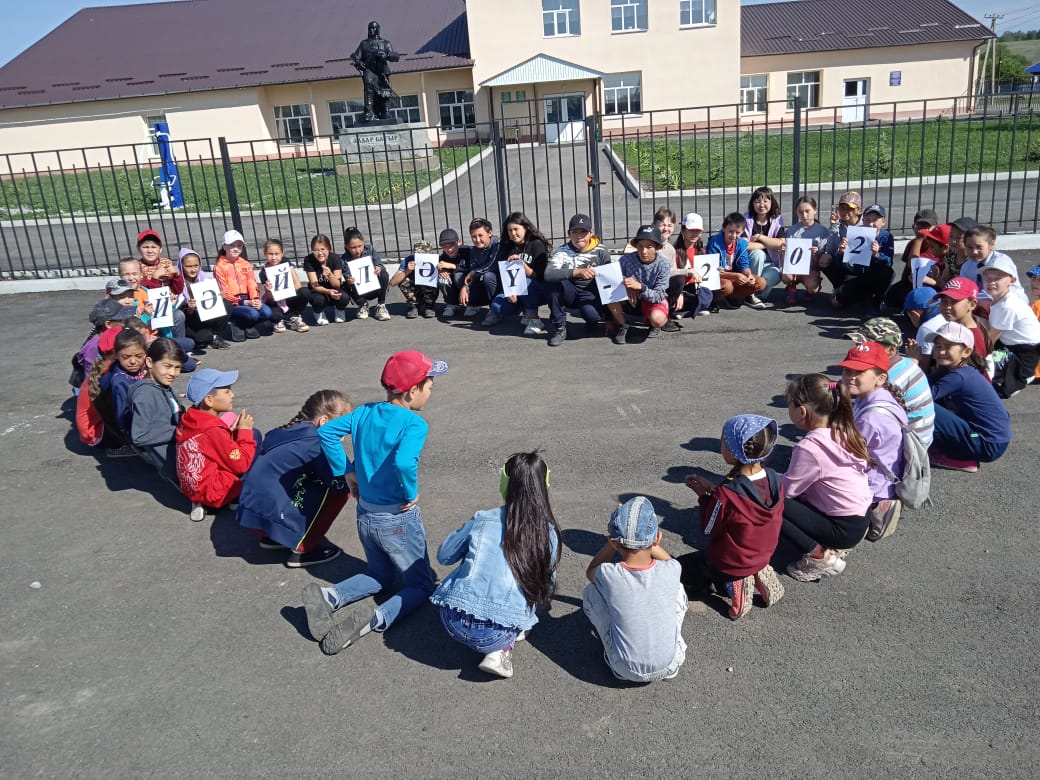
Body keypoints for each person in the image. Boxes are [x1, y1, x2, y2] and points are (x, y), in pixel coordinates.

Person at [304, 350, 448, 655]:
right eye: (429, 386)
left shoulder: (364, 412)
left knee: (381, 574)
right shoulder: (414, 424)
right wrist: (411, 493)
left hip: (366, 513)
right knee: (421, 585)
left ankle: (330, 596)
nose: (431, 391)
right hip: (397, 519)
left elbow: (327, 433)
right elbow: (405, 462)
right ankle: (377, 617)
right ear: (412, 391)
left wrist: (347, 471)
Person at [430, 451, 561, 679]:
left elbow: (444, 556)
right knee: (531, 583)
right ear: (544, 485)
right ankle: (500, 651)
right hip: (494, 635)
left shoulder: (483, 518)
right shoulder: (548, 533)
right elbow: (546, 586)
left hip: (452, 619)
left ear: (505, 483)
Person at [679, 415, 785, 620]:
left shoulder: (726, 494)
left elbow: (709, 528)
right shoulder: (774, 478)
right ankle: (759, 571)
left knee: (682, 571)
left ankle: (737, 582)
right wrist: (714, 490)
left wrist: (704, 497)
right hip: (763, 553)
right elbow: (746, 501)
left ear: (733, 450)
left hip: (733, 560)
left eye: (723, 442)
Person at [237, 390, 353, 568]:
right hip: (269, 509)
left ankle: (272, 537)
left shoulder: (287, 430)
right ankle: (303, 549)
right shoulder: (318, 443)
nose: (343, 438)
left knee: (307, 478)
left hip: (249, 509)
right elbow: (341, 483)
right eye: (342, 430)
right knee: (340, 490)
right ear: (324, 421)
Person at [777, 374, 873, 582]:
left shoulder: (810, 448)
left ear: (801, 411)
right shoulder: (844, 431)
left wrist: (765, 479)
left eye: (790, 405)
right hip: (861, 518)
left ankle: (819, 557)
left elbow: (787, 491)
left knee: (769, 501)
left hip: (842, 528)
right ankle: (831, 545)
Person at [583, 496, 687, 683]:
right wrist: (645, 540)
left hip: (624, 667)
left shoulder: (608, 573)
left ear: (614, 542)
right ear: (657, 538)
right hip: (669, 663)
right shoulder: (672, 568)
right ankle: (670, 660)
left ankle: (619, 666)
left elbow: (591, 571)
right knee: (678, 588)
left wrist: (613, 542)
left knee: (591, 592)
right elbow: (669, 560)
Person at [911, 322, 1011, 472]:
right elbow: (923, 384)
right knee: (929, 407)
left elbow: (919, 396)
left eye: (948, 346)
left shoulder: (959, 376)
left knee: (923, 406)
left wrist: (913, 363)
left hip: (987, 444)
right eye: (938, 346)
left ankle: (959, 459)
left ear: (966, 352)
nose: (941, 351)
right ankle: (953, 451)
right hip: (990, 439)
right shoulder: (949, 370)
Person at [836, 342, 909, 541]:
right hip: (887, 474)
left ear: (880, 378)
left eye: (859, 372)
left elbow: (847, 454)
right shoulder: (880, 397)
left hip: (874, 484)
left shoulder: (871, 418)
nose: (851, 376)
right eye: (847, 370)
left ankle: (877, 508)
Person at [176, 368, 258, 522]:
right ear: (209, 400)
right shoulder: (213, 431)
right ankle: (235, 497)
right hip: (216, 492)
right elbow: (241, 464)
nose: (232, 395)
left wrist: (230, 433)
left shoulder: (189, 418)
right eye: (227, 392)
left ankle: (200, 503)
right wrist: (245, 431)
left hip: (192, 490)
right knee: (254, 437)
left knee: (232, 425)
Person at [846, 318, 935, 448]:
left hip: (909, 445)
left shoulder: (891, 381)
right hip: (915, 434)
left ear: (891, 351)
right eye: (858, 344)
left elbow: (873, 419)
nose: (860, 349)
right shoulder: (903, 362)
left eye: (868, 347)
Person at [544, 213, 612, 347]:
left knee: (591, 314)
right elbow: (548, 274)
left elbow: (610, 281)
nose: (579, 236)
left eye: (583, 232)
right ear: (568, 233)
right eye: (575, 232)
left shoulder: (601, 250)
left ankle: (593, 321)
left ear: (591, 232)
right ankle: (559, 327)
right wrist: (576, 272)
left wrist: (611, 318)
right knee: (552, 285)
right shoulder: (562, 251)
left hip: (591, 293)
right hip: (571, 292)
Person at [980, 255, 1040, 398]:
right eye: (987, 278)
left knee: (980, 362)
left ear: (1012, 281)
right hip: (1012, 346)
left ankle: (1019, 377)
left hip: (1023, 356)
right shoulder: (1000, 299)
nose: (991, 282)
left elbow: (989, 341)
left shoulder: (1008, 306)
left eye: (998, 278)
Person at [480, 212, 549, 334]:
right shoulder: (507, 247)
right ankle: (521, 310)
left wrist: (523, 265)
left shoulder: (537, 244)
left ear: (525, 228)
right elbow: (505, 274)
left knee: (526, 281)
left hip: (537, 289)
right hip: (516, 289)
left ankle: (534, 319)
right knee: (497, 306)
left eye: (516, 229)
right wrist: (510, 291)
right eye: (510, 230)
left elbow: (540, 276)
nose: (513, 233)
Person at [821, 199, 894, 310]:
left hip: (875, 276)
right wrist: (842, 253)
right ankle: (860, 296)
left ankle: (876, 302)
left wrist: (876, 254)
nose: (871, 224)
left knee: (888, 272)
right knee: (836, 303)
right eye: (867, 220)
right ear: (863, 220)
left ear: (883, 222)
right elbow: (844, 266)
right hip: (858, 276)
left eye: (875, 220)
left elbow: (888, 262)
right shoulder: (856, 233)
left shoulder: (886, 236)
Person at [128, 337, 186, 477]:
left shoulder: (163, 387)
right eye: (167, 366)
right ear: (149, 362)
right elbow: (139, 436)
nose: (173, 373)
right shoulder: (145, 395)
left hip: (182, 451)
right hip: (175, 462)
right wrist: (179, 431)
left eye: (177, 367)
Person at [605, 224, 671, 344]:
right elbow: (612, 278)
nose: (644, 251)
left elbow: (659, 296)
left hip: (651, 301)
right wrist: (625, 284)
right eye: (640, 246)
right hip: (631, 300)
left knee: (658, 319)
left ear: (656, 247)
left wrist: (640, 287)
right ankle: (622, 325)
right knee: (609, 291)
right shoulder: (625, 260)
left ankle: (654, 324)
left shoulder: (664, 264)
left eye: (649, 247)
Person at [910, 278, 989, 375]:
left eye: (954, 301)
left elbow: (974, 376)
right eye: (944, 301)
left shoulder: (972, 337)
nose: (947, 306)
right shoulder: (955, 329)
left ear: (972, 305)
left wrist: (914, 360)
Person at [214, 229, 274, 340]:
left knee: (267, 312)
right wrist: (243, 302)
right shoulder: (219, 267)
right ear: (224, 246)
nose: (236, 248)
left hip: (248, 299)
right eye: (232, 245)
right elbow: (224, 291)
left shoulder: (245, 264)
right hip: (232, 303)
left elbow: (252, 283)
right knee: (253, 314)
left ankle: (247, 325)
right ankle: (236, 323)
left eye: (239, 246)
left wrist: (255, 299)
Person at [705, 212, 768, 309]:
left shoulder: (741, 243)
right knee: (727, 286)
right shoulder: (714, 243)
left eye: (737, 233)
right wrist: (736, 276)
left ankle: (734, 297)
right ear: (723, 228)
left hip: (733, 276)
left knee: (760, 283)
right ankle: (715, 300)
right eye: (730, 231)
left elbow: (744, 263)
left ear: (742, 232)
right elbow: (713, 271)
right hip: (720, 277)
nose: (734, 235)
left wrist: (749, 275)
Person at [73, 299, 137, 391]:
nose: (126, 323)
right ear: (108, 324)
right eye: (122, 320)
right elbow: (93, 383)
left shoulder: (113, 339)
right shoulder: (94, 347)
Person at [884, 208, 940, 310]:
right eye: (920, 226)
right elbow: (909, 266)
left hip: (930, 284)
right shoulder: (912, 243)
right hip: (912, 282)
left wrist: (919, 239)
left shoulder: (938, 246)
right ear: (913, 228)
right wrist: (904, 280)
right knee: (891, 296)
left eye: (927, 227)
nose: (923, 230)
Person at [175, 247, 230, 349]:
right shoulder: (177, 282)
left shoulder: (203, 278)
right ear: (181, 266)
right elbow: (179, 311)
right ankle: (206, 338)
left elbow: (212, 303)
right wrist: (190, 308)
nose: (193, 269)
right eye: (188, 266)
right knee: (203, 338)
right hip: (190, 321)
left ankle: (215, 335)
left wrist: (219, 297)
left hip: (205, 318)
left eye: (196, 266)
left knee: (227, 304)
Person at [781, 196, 830, 302]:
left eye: (807, 211)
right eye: (800, 212)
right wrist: (784, 251)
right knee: (786, 276)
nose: (804, 215)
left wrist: (816, 254)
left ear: (815, 210)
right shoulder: (792, 231)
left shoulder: (822, 231)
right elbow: (787, 256)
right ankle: (791, 286)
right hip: (794, 267)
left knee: (813, 288)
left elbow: (822, 261)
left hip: (811, 268)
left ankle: (812, 287)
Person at [258, 238, 312, 333]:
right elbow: (269, 299)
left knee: (304, 292)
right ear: (265, 254)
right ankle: (274, 321)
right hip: (274, 302)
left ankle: (295, 317)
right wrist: (268, 290)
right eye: (270, 254)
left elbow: (298, 285)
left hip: (288, 297)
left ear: (282, 253)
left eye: (277, 254)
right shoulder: (264, 272)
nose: (274, 257)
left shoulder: (285, 263)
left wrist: (290, 269)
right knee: (276, 316)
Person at [666, 212, 713, 322]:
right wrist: (679, 293)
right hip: (680, 288)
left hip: (696, 288)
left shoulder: (702, 251)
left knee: (708, 294)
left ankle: (690, 307)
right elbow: (671, 276)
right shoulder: (674, 252)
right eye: (691, 230)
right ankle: (689, 307)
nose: (694, 234)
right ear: (683, 230)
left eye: (698, 231)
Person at [350, 21, 400, 121]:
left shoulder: (385, 43)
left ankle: (385, 111)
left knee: (384, 91)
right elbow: (356, 56)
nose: (371, 30)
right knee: (368, 88)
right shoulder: (364, 44)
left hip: (381, 71)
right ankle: (369, 111)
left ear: (378, 29)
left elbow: (395, 56)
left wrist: (386, 55)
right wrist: (359, 63)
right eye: (369, 28)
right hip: (369, 70)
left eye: (373, 28)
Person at [107, 327, 150, 439]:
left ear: (145, 353)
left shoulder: (145, 368)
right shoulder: (119, 381)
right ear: (116, 355)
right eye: (126, 357)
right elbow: (123, 416)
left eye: (139, 356)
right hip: (134, 431)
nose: (133, 361)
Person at [743, 186, 784, 299]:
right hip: (750, 262)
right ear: (752, 203)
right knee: (758, 254)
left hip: (770, 262)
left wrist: (760, 237)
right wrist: (767, 244)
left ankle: (758, 294)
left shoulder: (777, 219)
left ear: (772, 202)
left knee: (775, 275)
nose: (761, 205)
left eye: (765, 201)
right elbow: (744, 245)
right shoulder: (746, 218)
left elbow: (781, 243)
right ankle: (750, 291)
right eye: (757, 201)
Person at [342, 226, 391, 321]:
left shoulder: (369, 249)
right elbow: (347, 275)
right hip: (359, 290)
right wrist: (349, 280)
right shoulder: (344, 259)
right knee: (345, 285)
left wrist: (378, 268)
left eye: (360, 246)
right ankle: (362, 305)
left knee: (384, 274)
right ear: (346, 246)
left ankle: (381, 305)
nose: (357, 250)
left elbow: (380, 264)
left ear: (363, 242)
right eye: (353, 248)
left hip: (374, 287)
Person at [457, 218, 501, 319]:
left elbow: (492, 265)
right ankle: (473, 304)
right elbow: (473, 270)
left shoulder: (497, 245)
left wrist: (474, 273)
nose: (477, 240)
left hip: (501, 284)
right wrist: (465, 287)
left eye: (480, 235)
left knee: (488, 276)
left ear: (489, 233)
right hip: (487, 284)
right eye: (473, 236)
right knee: (460, 277)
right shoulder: (474, 250)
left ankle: (495, 310)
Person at [302, 233, 350, 325]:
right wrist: (328, 292)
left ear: (329, 249)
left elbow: (337, 285)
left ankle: (339, 310)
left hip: (333, 288)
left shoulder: (335, 258)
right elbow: (314, 285)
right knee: (318, 300)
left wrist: (330, 275)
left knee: (344, 297)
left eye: (323, 249)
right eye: (316, 250)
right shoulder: (309, 260)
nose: (320, 253)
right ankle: (318, 312)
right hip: (318, 291)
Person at [390, 240, 439, 319]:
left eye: (424, 253)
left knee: (435, 279)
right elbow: (392, 282)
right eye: (417, 253)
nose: (420, 255)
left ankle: (429, 305)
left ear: (430, 252)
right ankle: (414, 304)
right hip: (415, 288)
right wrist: (407, 271)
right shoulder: (409, 260)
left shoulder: (435, 260)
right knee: (403, 280)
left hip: (429, 288)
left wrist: (441, 270)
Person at [435, 228, 471, 318]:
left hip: (469, 284)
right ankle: (452, 304)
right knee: (442, 278)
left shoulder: (468, 251)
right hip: (455, 287)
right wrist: (440, 270)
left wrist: (453, 266)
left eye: (452, 245)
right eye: (445, 246)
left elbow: (473, 269)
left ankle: (472, 304)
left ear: (459, 242)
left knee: (458, 275)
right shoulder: (442, 258)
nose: (449, 249)